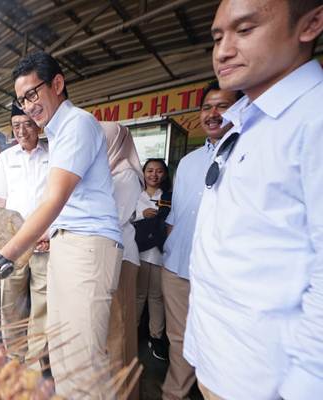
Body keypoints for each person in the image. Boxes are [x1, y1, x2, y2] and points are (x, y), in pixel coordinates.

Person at [0, 51, 123, 398]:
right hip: (67, 243)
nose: (27, 107)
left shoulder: (76, 124)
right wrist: (44, 232)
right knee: (62, 354)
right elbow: (68, 203)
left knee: (80, 364)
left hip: (86, 248)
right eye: (21, 100)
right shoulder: (58, 132)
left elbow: (54, 200)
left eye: (32, 95)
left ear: (57, 84)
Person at [184, 1, 323, 399]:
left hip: (267, 381)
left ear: (310, 24)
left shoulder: (314, 119)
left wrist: (306, 386)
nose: (223, 50)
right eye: (217, 36)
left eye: (245, 30)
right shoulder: (246, 120)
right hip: (219, 358)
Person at [161, 80, 241, 400]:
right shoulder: (188, 162)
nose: (212, 113)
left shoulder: (247, 154)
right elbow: (175, 217)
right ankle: (173, 395)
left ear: (239, 109)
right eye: (207, 107)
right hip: (177, 269)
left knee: (222, 345)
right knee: (178, 340)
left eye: (222, 106)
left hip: (223, 275)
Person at [0, 103, 49, 366]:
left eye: (27, 124)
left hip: (45, 244)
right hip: (13, 244)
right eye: (16, 126)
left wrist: (49, 232)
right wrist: (0, 243)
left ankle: (35, 364)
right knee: (11, 305)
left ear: (38, 125)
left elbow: (60, 199)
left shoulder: (53, 154)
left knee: (41, 307)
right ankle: (15, 356)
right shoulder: (6, 158)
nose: (22, 131)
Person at [101, 121, 144, 400]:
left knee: (119, 328)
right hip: (109, 253)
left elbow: (114, 218)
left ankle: (122, 392)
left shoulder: (126, 174)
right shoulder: (109, 169)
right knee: (112, 328)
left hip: (121, 256)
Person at [134, 158, 171, 361]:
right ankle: (133, 332)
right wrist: (142, 214)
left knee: (157, 297)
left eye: (158, 171)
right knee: (138, 295)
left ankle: (156, 337)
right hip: (138, 252)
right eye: (149, 170)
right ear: (143, 173)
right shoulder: (135, 194)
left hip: (159, 253)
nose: (154, 175)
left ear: (164, 175)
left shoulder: (168, 197)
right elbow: (125, 216)